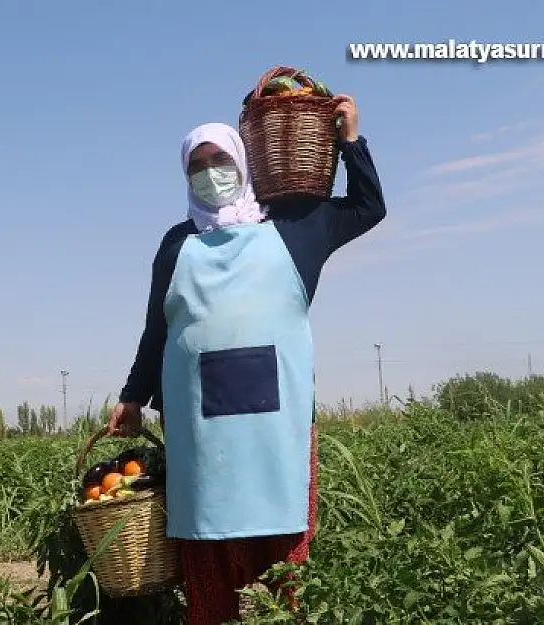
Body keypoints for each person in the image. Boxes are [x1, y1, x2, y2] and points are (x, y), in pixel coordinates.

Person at [107, 95, 386, 625]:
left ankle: (289, 616)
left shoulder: (298, 226)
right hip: (198, 418)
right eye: (198, 165)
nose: (210, 173)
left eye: (220, 161)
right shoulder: (176, 244)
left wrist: (350, 141)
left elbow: (367, 208)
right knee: (208, 543)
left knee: (284, 537)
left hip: (276, 416)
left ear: (244, 162)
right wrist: (131, 396)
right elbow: (157, 326)